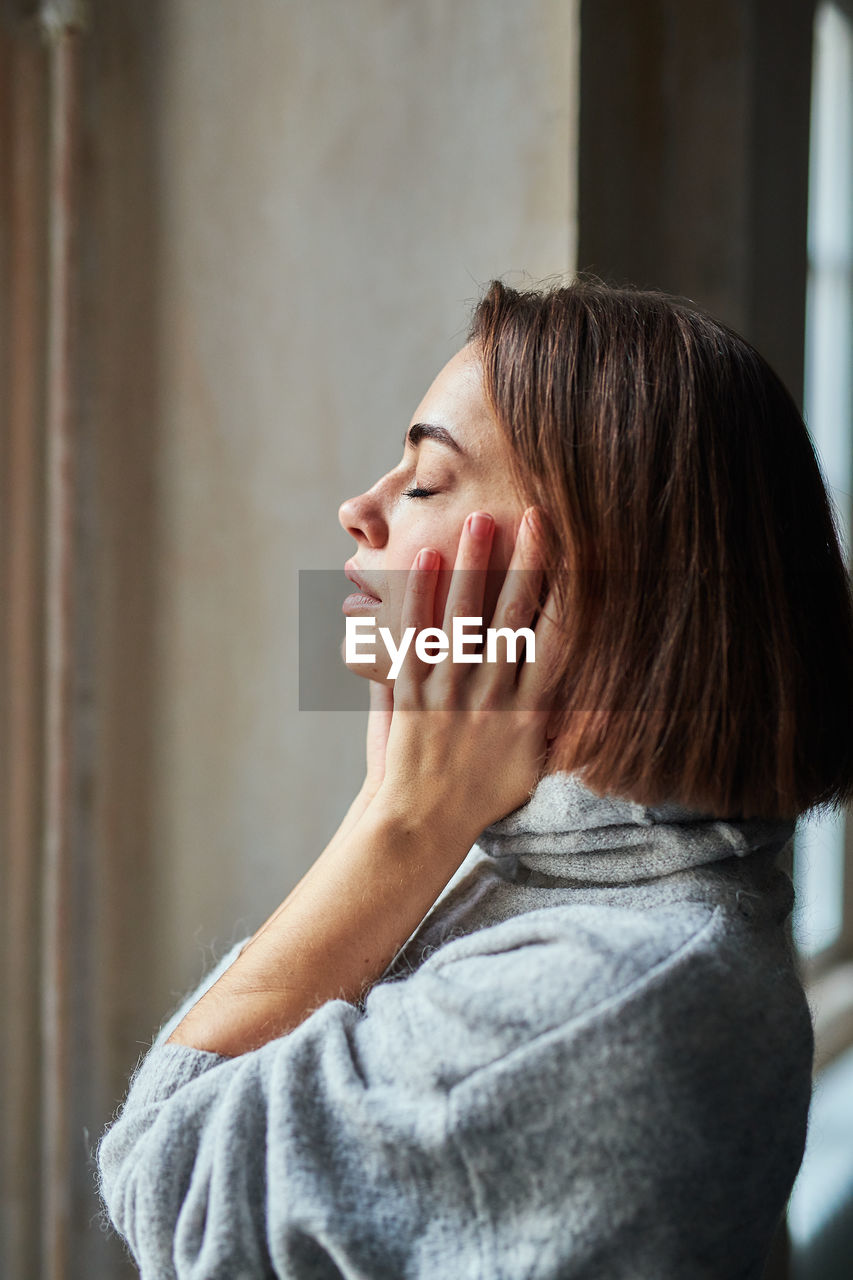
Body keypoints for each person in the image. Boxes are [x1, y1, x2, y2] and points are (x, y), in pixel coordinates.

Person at [97, 279, 853, 1279]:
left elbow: (166, 1181)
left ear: (586, 580)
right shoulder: (560, 865)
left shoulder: (613, 997)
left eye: (423, 481)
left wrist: (397, 825)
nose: (358, 511)